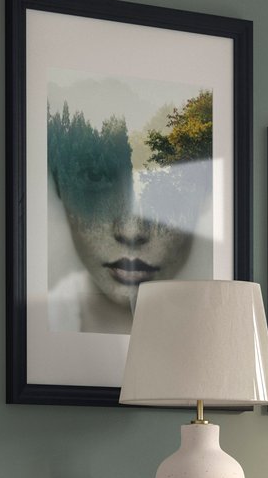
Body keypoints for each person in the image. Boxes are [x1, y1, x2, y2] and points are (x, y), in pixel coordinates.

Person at [45, 94, 211, 334]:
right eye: (95, 175)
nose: (131, 230)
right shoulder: (39, 324)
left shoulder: (224, 339)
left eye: (168, 180)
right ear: (60, 183)